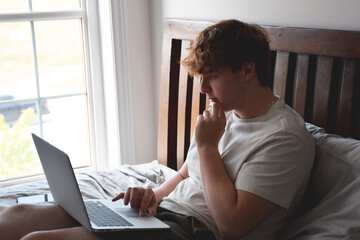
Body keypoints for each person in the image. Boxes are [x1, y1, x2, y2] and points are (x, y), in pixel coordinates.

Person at [0, 19, 314, 240]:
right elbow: (184, 175)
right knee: (12, 219)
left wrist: (206, 147)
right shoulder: (224, 115)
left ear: (247, 70)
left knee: (37, 239)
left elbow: (231, 225)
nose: (203, 88)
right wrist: (153, 195)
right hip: (158, 215)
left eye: (212, 77)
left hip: (190, 230)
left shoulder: (284, 138)